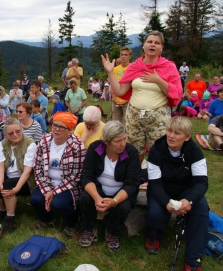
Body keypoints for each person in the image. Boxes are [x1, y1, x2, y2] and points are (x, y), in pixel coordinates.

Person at [102, 30, 182, 163]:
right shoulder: (135, 67)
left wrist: (158, 80)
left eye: (157, 43)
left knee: (159, 151)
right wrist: (110, 72)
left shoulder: (169, 67)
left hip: (158, 117)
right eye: (149, 41)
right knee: (133, 151)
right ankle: (135, 179)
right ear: (144, 45)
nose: (153, 45)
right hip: (134, 115)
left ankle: (157, 181)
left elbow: (177, 92)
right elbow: (120, 91)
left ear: (161, 47)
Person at [145, 117, 208, 271]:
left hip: (186, 189)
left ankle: (193, 259)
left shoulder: (194, 151)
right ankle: (154, 235)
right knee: (155, 212)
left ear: (187, 137)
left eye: (177, 133)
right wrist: (166, 202)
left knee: (201, 210)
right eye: (169, 131)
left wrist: (190, 200)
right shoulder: (156, 150)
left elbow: (201, 182)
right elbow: (155, 183)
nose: (171, 136)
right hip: (162, 188)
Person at [79, 121, 140, 252]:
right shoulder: (95, 149)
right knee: (85, 198)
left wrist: (114, 201)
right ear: (106, 141)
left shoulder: (131, 152)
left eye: (124, 139)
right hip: (99, 188)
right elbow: (86, 176)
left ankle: (112, 231)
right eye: (118, 141)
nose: (123, 144)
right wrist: (96, 198)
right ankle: (89, 228)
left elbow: (132, 183)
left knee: (123, 206)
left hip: (121, 190)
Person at [30, 112, 86, 237]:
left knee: (58, 203)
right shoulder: (44, 140)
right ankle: (47, 219)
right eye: (55, 125)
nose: (57, 129)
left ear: (69, 130)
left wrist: (54, 192)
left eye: (62, 127)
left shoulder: (77, 145)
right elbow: (38, 167)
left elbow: (76, 176)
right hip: (47, 182)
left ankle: (73, 222)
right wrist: (46, 190)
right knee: (36, 199)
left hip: (68, 184)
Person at [0, 118, 37, 235]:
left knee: (8, 185)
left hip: (27, 180)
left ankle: (10, 219)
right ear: (6, 134)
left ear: (21, 130)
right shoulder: (2, 144)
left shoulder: (30, 144)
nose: (15, 135)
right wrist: (0, 183)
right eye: (11, 133)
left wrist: (16, 189)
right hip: (9, 175)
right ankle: (2, 211)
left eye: (18, 131)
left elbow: (27, 171)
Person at [111, 47, 132, 124]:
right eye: (122, 54)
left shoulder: (132, 68)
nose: (123, 56)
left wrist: (127, 100)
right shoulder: (115, 69)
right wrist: (114, 99)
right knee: (115, 123)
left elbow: (134, 86)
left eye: (126, 55)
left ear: (130, 56)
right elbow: (113, 85)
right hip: (116, 100)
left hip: (128, 101)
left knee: (127, 123)